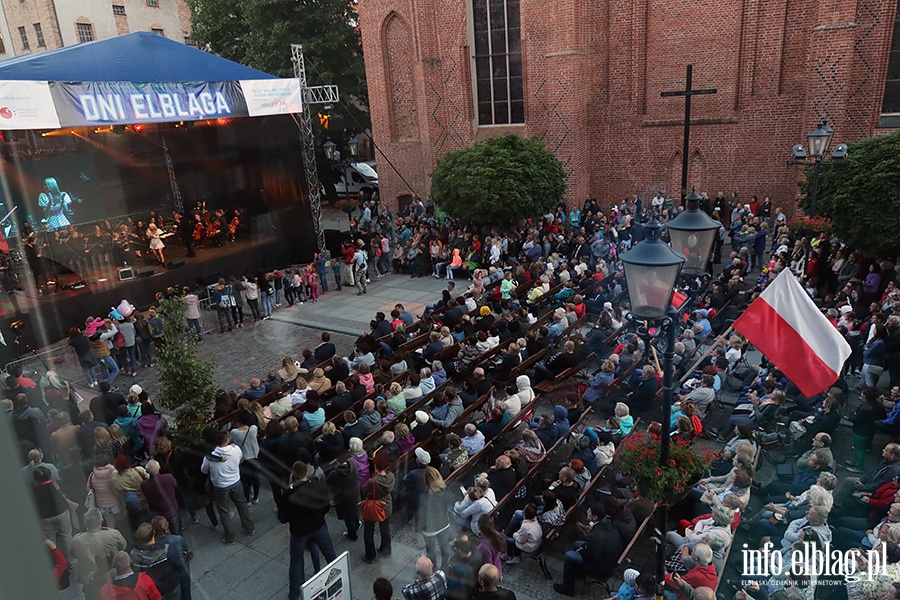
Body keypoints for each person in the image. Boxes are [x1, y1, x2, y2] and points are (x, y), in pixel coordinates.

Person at [279, 458, 337, 600]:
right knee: (330, 555)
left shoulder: (288, 494)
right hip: (318, 526)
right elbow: (326, 506)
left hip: (299, 532)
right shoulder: (315, 485)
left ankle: (294, 595)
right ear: (307, 472)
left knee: (296, 562)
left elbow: (282, 517)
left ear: (293, 474)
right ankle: (337, 581)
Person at [553, 502, 623, 596]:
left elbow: (592, 556)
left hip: (600, 568)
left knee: (569, 555)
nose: (587, 512)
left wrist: (582, 551)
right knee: (577, 544)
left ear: (595, 517)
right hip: (607, 558)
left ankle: (568, 588)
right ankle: (580, 573)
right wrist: (583, 548)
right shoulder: (609, 524)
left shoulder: (597, 534)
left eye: (589, 512)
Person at [200, 430, 255, 545]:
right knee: (241, 504)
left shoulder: (210, 457)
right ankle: (249, 528)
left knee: (224, 512)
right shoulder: (235, 450)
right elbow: (240, 458)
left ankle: (230, 537)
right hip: (235, 482)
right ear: (226, 440)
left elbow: (204, 470)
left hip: (220, 486)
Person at [71, 508, 128, 600]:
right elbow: (123, 546)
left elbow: (73, 554)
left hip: (89, 579)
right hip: (110, 575)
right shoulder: (113, 534)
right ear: (101, 520)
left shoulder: (77, 540)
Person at [130, 522, 189, 600]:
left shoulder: (134, 555)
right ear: (154, 532)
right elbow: (178, 564)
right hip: (170, 586)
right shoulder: (165, 549)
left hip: (152, 590)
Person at [419, 466, 454, 571]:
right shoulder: (444, 491)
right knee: (444, 546)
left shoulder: (424, 496)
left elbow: (421, 513)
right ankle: (444, 567)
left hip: (429, 528)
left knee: (430, 549)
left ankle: (433, 568)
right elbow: (449, 503)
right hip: (443, 523)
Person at [363, 452, 395, 563]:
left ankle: (370, 556)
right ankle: (386, 549)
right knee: (385, 528)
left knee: (368, 530)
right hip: (386, 505)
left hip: (373, 507)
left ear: (376, 466)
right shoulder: (391, 476)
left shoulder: (372, 481)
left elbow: (365, 492)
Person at [141, 460, 182, 535]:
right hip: (171, 509)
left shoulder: (144, 485)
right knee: (177, 533)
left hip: (157, 514)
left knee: (161, 534)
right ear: (159, 467)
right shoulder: (168, 478)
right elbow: (175, 486)